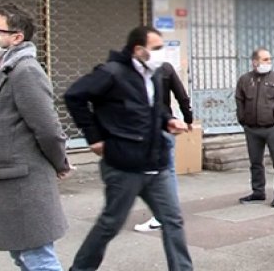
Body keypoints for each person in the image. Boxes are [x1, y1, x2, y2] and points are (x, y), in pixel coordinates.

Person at [65, 26, 193, 271]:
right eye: (156, 48)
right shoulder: (112, 73)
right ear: (138, 50)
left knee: (173, 220)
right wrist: (94, 137)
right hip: (124, 165)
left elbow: (154, 108)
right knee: (110, 224)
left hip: (156, 164)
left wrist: (168, 120)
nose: (160, 53)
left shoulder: (154, 75)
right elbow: (74, 96)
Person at [0, 4, 71, 271]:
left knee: (38, 258)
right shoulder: (1, 67)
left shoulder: (25, 70)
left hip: (24, 184)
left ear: (17, 37)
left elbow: (48, 128)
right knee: (23, 255)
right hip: (8, 180)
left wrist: (60, 163)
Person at [135, 61, 194, 233]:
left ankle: (162, 216)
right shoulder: (165, 67)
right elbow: (182, 95)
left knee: (155, 173)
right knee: (168, 171)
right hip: (166, 126)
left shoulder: (138, 69)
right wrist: (188, 118)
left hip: (150, 128)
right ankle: (169, 212)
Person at [235, 48, 274, 207]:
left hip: (272, 128)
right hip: (252, 129)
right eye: (265, 59)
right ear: (255, 62)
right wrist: (243, 120)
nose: (269, 62)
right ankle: (258, 191)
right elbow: (239, 100)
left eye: (269, 59)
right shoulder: (245, 80)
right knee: (255, 162)